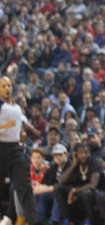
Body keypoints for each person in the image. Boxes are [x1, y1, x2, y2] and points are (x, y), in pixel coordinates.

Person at [0, 76, 42, 225]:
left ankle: (35, 222)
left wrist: (21, 134)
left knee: (24, 187)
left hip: (16, 149)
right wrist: (6, 127)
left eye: (9, 85)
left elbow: (21, 128)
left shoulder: (16, 107)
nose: (7, 88)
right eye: (3, 86)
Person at [55, 143, 105, 225]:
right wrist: (74, 164)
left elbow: (93, 185)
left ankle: (91, 221)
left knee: (86, 193)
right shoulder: (75, 165)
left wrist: (74, 191)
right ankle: (69, 219)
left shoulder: (95, 164)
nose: (84, 155)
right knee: (58, 188)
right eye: (81, 153)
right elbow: (61, 181)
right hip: (79, 192)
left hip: (95, 193)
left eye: (86, 152)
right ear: (76, 154)